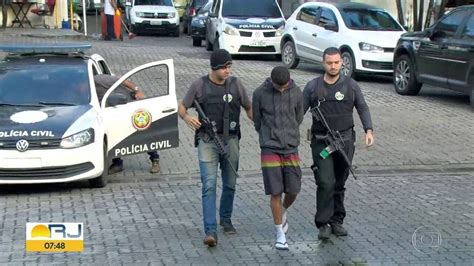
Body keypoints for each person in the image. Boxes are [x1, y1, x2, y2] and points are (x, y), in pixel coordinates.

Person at [178, 49, 252, 247]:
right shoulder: (199, 85)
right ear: (214, 68)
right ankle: (210, 230)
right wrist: (186, 118)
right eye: (224, 67)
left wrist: (262, 123)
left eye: (229, 67)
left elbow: (248, 107)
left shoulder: (236, 85)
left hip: (231, 140)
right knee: (209, 185)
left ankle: (225, 219)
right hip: (207, 141)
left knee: (230, 183)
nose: (228, 70)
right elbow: (182, 106)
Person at [302, 47, 374, 240]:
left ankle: (337, 221)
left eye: (336, 62)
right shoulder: (312, 87)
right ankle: (323, 223)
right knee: (325, 182)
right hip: (321, 142)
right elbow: (298, 113)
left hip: (345, 140)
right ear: (323, 63)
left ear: (341, 62)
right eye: (329, 63)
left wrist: (369, 129)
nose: (333, 66)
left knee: (340, 182)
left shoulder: (350, 86)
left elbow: (362, 107)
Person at [252, 66, 303, 251]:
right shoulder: (259, 93)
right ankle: (280, 233)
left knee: (294, 189)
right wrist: (267, 136)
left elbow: (299, 117)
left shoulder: (296, 91)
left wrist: (290, 135)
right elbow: (257, 120)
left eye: (285, 86)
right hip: (269, 147)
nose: (282, 89)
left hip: (291, 146)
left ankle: (282, 211)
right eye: (278, 86)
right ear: (271, 81)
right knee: (275, 191)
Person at [94, 74, 161, 174]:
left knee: (141, 133)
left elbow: (122, 80)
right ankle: (117, 163)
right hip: (112, 110)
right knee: (114, 135)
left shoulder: (99, 80)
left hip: (128, 105)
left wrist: (137, 90)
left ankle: (155, 159)